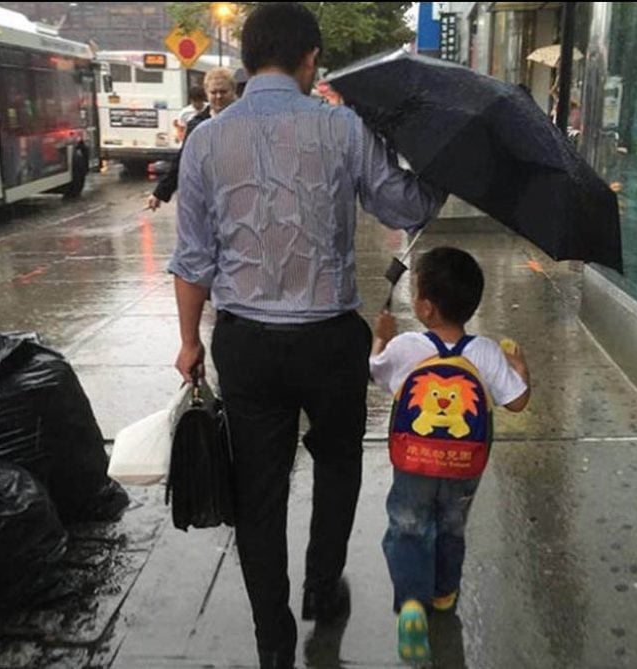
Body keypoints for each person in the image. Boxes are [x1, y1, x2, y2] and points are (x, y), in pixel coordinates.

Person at [168, 3, 445, 667]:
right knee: (338, 463)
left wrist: (188, 341)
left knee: (257, 489)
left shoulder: (204, 139)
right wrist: (436, 166)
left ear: (245, 58)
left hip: (247, 344)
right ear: (310, 59)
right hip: (329, 341)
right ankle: (323, 586)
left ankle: (273, 637)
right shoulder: (344, 127)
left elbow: (191, 257)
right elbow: (404, 205)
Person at [369, 247, 530, 663]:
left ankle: (410, 605)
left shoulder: (406, 347)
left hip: (414, 462)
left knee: (408, 525)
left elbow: (376, 371)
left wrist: (381, 336)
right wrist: (520, 368)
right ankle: (443, 594)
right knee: (451, 526)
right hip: (463, 468)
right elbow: (516, 402)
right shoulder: (487, 352)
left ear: (425, 307)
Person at [146, 68, 237, 211]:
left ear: (233, 92)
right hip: (207, 199)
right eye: (213, 92)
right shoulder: (197, 125)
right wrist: (160, 193)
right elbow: (182, 160)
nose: (218, 96)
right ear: (207, 94)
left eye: (223, 92)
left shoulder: (247, 121)